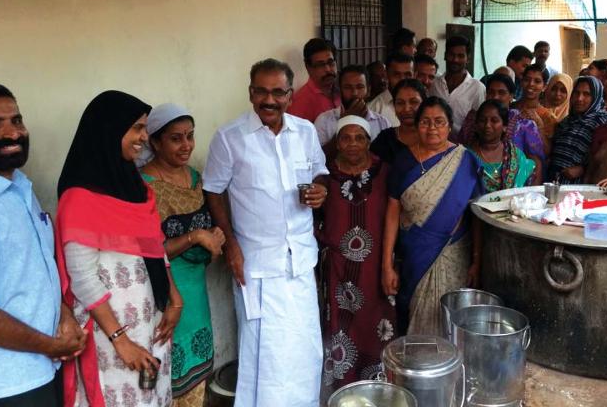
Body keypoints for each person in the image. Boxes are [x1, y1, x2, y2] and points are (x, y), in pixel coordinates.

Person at [203, 59, 328, 407]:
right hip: (257, 265)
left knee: (303, 348)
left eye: (277, 92)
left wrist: (322, 189)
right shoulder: (230, 138)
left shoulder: (305, 132)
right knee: (266, 355)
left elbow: (320, 174)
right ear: (250, 93)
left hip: (300, 261)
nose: (268, 100)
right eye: (261, 91)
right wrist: (231, 244)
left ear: (289, 95)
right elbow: (213, 190)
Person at [0, 83, 85, 407]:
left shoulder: (19, 189)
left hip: (43, 365)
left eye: (16, 120)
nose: (13, 133)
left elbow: (35, 273)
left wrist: (65, 314)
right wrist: (51, 346)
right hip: (7, 382)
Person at [56, 90, 183, 407]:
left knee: (152, 396)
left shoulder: (133, 185)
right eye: (136, 128)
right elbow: (83, 277)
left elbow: (153, 245)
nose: (143, 137)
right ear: (109, 131)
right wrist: (120, 340)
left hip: (148, 317)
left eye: (144, 128)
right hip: (110, 330)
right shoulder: (79, 196)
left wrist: (173, 295)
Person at [139, 104, 225, 406]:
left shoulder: (194, 177)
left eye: (190, 136)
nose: (186, 145)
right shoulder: (143, 187)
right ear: (155, 142)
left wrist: (216, 234)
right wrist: (194, 237)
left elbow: (209, 222)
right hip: (166, 292)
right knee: (169, 377)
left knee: (197, 376)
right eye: (176, 138)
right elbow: (145, 250)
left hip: (196, 292)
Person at [381, 97, 483, 335]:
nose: (432, 128)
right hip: (415, 254)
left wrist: (477, 260)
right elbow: (392, 214)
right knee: (414, 315)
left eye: (439, 121)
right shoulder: (403, 162)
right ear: (417, 126)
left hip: (454, 252)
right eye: (425, 122)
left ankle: (449, 369)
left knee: (450, 319)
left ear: (450, 126)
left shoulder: (465, 161)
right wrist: (387, 265)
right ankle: (417, 368)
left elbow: (476, 215)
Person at [318, 115, 396, 393]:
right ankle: (343, 391)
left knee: (376, 328)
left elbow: (395, 216)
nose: (352, 144)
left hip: (376, 269)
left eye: (359, 137)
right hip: (339, 272)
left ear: (368, 141)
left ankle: (378, 391)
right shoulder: (324, 176)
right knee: (341, 329)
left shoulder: (385, 173)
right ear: (336, 142)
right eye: (345, 138)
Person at [459, 74, 545, 185]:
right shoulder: (473, 120)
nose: (495, 97)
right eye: (491, 92)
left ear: (511, 96)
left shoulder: (525, 125)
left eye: (501, 93)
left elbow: (535, 163)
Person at [547, 76, 607, 184]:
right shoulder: (566, 122)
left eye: (586, 94)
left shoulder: (604, 121)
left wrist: (583, 169)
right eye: (576, 93)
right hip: (555, 182)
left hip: (582, 185)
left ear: (596, 96)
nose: (579, 98)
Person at [467, 100, 534, 192]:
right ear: (476, 125)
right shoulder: (465, 157)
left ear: (504, 127)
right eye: (482, 120)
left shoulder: (517, 156)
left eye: (494, 121)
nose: (487, 125)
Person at [314, 65, 390, 146]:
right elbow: (319, 157)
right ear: (340, 90)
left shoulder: (382, 123)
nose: (354, 93)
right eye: (347, 87)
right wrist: (345, 122)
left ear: (368, 90)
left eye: (360, 87)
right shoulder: (324, 121)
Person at [429, 35, 485, 135]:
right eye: (451, 55)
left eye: (460, 56)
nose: (455, 60)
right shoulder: (434, 84)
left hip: (463, 147)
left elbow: (480, 122)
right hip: (434, 142)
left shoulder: (477, 88)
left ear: (468, 58)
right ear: (445, 55)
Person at [370, 79, 426, 164]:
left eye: (414, 102)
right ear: (394, 106)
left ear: (424, 104)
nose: (406, 109)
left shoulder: (435, 137)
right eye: (400, 103)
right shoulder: (384, 140)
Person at [287, 38, 341, 122]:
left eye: (330, 62)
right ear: (308, 67)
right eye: (320, 65)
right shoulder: (300, 102)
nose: (327, 69)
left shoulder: (343, 89)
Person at [513, 64, 558, 156]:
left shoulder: (548, 117)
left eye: (537, 81)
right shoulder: (511, 108)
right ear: (521, 82)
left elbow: (547, 152)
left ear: (544, 87)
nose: (531, 84)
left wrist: (539, 126)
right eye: (527, 80)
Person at [367, 53, 414, 127]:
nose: (402, 80)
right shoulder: (373, 109)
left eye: (407, 75)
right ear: (386, 74)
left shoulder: (423, 104)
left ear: (414, 75)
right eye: (397, 75)